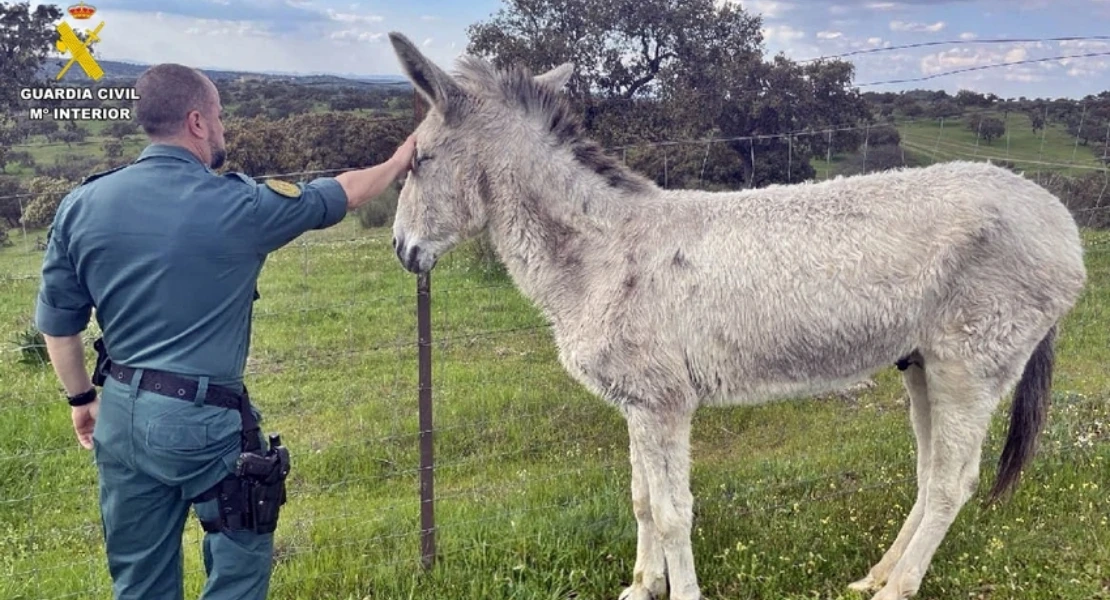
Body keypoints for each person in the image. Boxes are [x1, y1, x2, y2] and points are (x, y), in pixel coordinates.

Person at [34, 63, 416, 600]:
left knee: (139, 581)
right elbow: (344, 194)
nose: (222, 128)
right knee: (237, 572)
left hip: (120, 414)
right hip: (204, 423)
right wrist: (401, 160)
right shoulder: (239, 204)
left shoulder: (80, 204)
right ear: (196, 122)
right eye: (218, 116)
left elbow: (58, 324)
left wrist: (82, 399)